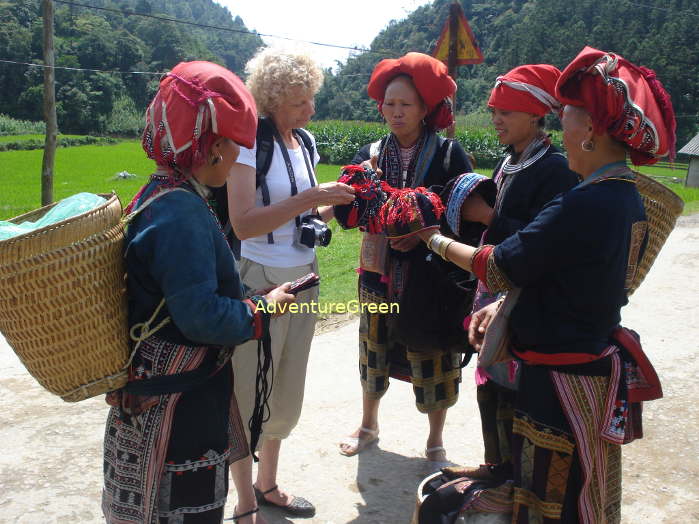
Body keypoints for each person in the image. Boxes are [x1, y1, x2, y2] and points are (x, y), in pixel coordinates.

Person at [416, 46, 674, 522]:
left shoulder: (585, 203)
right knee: (571, 492)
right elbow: (560, 272)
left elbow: (496, 266)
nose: (564, 126)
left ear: (592, 129)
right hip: (581, 372)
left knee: (549, 501)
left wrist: (430, 238)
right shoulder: (624, 198)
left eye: (570, 116)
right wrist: (507, 305)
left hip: (559, 384)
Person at [102, 61, 295, 524]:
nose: (235, 161)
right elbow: (201, 316)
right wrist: (259, 311)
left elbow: (185, 289)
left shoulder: (157, 194)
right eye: (234, 148)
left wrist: (249, 295)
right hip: (181, 409)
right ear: (210, 146)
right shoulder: (182, 212)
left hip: (157, 392)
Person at [226, 48, 355, 518]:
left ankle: (268, 484)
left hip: (304, 278)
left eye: (311, 99)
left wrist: (338, 200)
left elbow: (304, 211)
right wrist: (309, 197)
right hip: (259, 279)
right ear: (275, 99)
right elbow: (242, 224)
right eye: (301, 102)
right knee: (246, 391)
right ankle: (243, 502)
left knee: (286, 387)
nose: (310, 109)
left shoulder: (306, 142)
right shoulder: (247, 145)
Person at [443, 64, 579, 482]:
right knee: (489, 379)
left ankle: (516, 475)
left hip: (520, 294)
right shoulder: (513, 161)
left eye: (506, 111)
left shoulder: (555, 169)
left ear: (536, 115)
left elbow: (547, 241)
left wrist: (488, 216)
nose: (496, 120)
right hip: (493, 286)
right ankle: (495, 464)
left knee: (513, 382)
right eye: (494, 110)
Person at [339, 52, 474, 461]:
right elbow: (354, 205)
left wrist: (421, 234)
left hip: (431, 276)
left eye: (406, 105)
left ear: (424, 109)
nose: (396, 113)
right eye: (390, 104)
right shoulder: (371, 153)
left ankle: (435, 439)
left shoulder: (449, 155)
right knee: (372, 346)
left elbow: (464, 214)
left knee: (433, 352)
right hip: (378, 271)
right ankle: (368, 424)